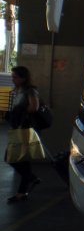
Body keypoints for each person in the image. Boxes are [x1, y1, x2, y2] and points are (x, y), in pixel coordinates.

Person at [5, 66, 41, 204]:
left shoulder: (30, 90)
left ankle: (25, 187)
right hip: (19, 128)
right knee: (20, 160)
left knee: (14, 158)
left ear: (23, 78)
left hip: (24, 130)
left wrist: (20, 111)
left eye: (15, 77)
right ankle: (28, 184)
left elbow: (34, 107)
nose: (12, 79)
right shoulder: (19, 90)